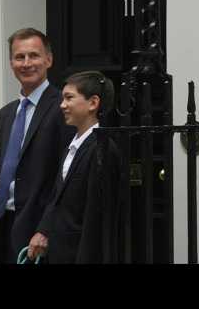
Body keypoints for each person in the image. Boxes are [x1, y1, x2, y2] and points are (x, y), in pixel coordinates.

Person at [0, 28, 75, 263]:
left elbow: (66, 175)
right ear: (11, 63)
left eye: (34, 55)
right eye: (19, 57)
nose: (26, 63)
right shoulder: (5, 115)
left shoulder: (63, 107)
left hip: (39, 229)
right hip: (3, 223)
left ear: (49, 59)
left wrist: (46, 228)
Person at [28, 71, 121, 263]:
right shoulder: (72, 146)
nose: (62, 105)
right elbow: (58, 197)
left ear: (93, 103)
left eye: (69, 98)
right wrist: (43, 231)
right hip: (59, 253)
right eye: (63, 98)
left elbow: (95, 216)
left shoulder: (102, 149)